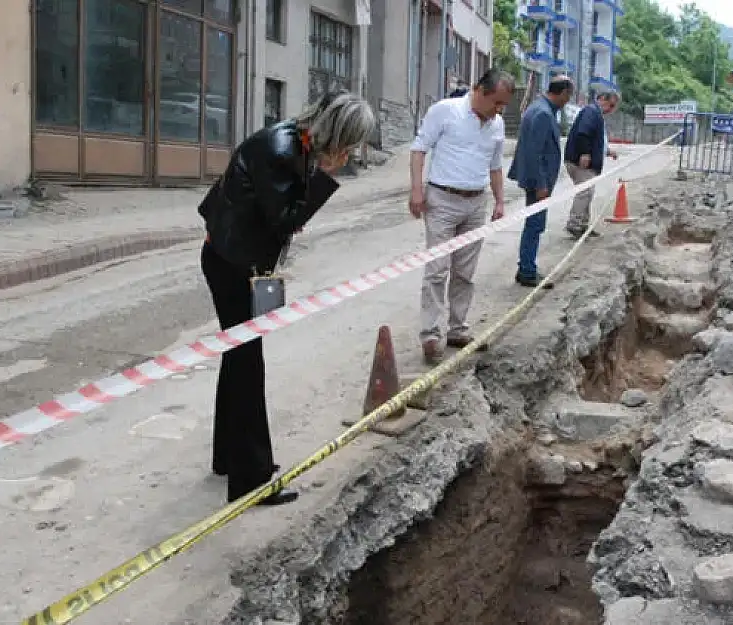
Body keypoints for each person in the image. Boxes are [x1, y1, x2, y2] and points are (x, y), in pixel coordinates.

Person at [197, 92, 377, 505]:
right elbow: (287, 220)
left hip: (232, 257)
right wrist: (326, 177)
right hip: (231, 264)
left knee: (238, 356)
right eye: (350, 144)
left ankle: (230, 457)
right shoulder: (282, 151)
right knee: (246, 363)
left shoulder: (292, 141)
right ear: (338, 134)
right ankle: (251, 479)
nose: (350, 154)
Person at [409, 69, 514, 366]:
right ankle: (430, 334)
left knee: (465, 272)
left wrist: (500, 201)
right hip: (442, 200)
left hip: (475, 203)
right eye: (496, 103)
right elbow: (419, 150)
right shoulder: (445, 111)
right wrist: (417, 190)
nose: (498, 110)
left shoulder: (497, 124)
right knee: (437, 269)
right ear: (479, 90)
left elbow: (495, 165)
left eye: (502, 105)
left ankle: (457, 328)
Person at [507, 75, 574, 288]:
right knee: (535, 225)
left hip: (538, 180)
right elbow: (534, 152)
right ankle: (527, 270)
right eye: (568, 96)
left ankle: (526, 267)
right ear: (562, 93)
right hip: (538, 183)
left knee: (534, 224)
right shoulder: (543, 114)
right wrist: (541, 184)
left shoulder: (539, 108)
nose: (567, 101)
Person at [563, 91, 620, 239]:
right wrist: (585, 153)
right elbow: (583, 133)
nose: (611, 110)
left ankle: (582, 225)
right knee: (584, 192)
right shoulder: (591, 112)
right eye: (610, 105)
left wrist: (606, 151)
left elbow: (595, 140)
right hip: (580, 162)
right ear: (601, 99)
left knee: (588, 193)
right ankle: (575, 224)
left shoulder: (596, 114)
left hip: (585, 161)